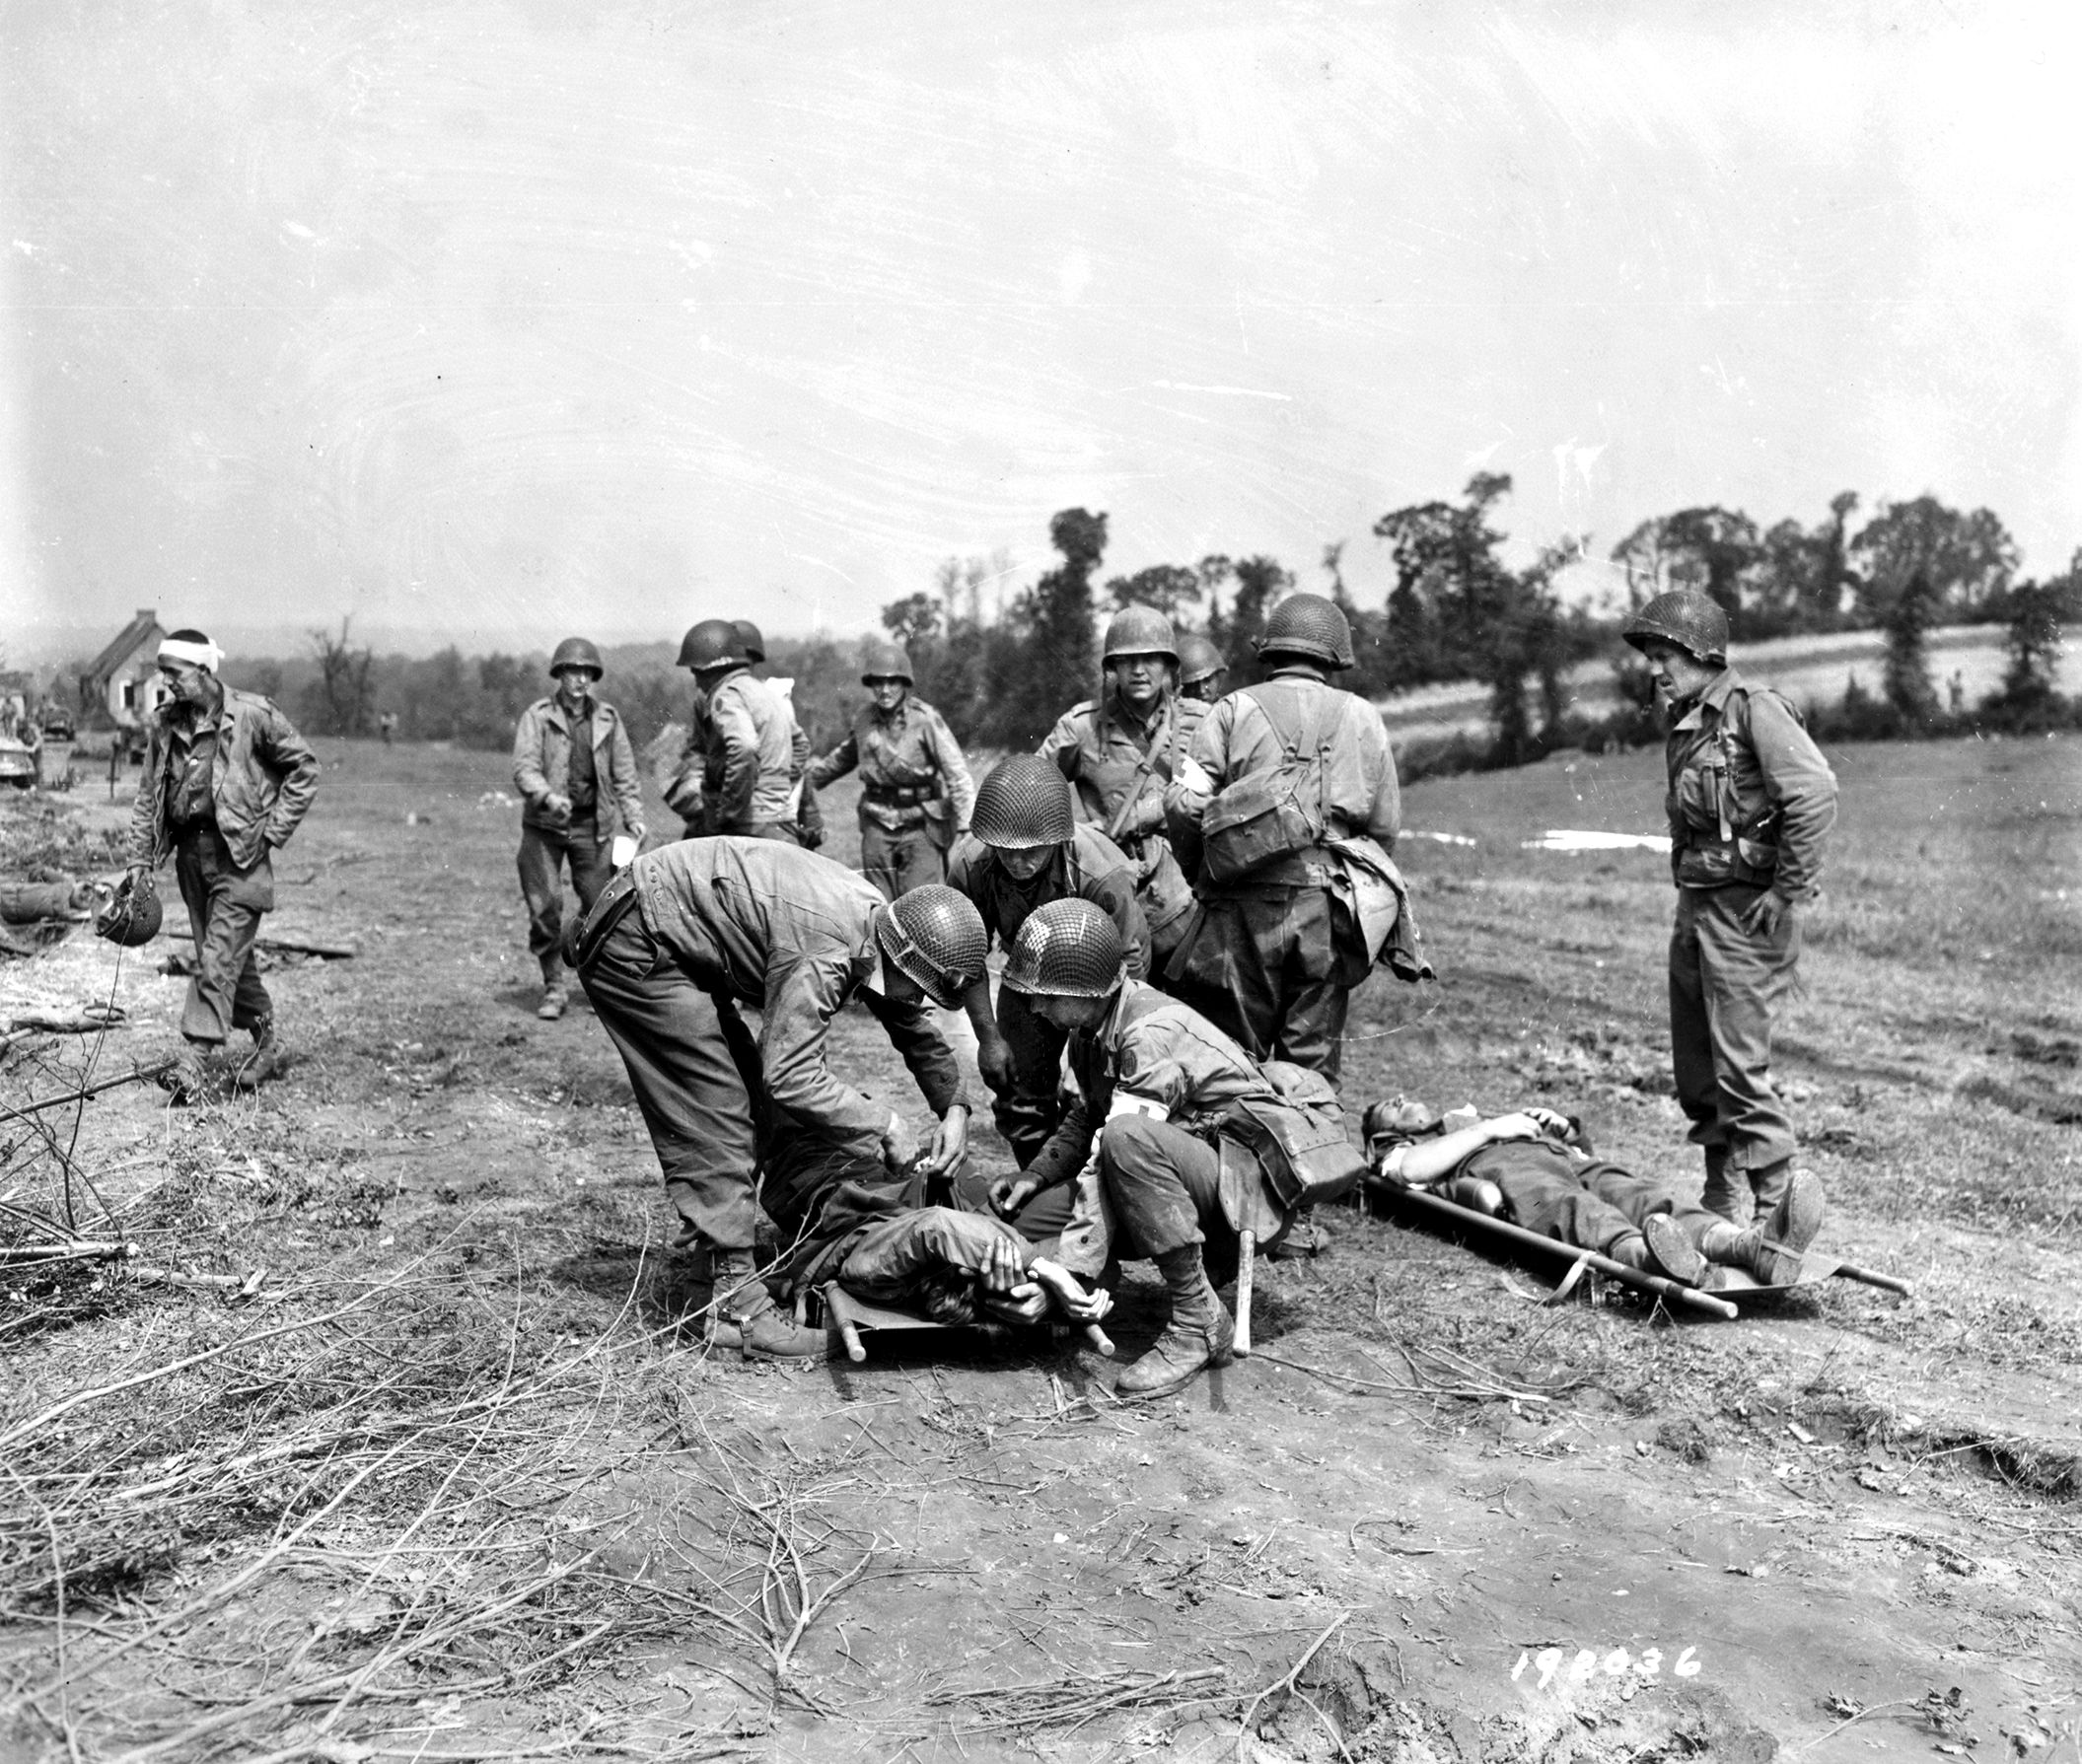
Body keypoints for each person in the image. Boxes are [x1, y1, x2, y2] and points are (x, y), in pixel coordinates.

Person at [568, 838, 988, 1359]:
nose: (917, 1001)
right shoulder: (826, 949)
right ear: (901, 961)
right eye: (918, 987)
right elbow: (788, 1075)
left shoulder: (881, 928)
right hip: (639, 944)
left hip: (669, 930)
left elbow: (907, 1019)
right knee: (718, 1117)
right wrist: (883, 1124)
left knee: (749, 1105)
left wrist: (954, 1106)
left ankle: (716, 1276)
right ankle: (734, 1314)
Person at [987, 898, 1353, 1398]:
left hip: (1241, 1196)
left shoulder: (1148, 1035)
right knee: (1030, 1223)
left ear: (1084, 989)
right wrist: (1038, 1175)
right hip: (1184, 1179)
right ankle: (1086, 1293)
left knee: (1126, 1140)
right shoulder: (1091, 1030)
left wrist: (1072, 1267)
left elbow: (1114, 1148)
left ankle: (1199, 1322)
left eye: (1045, 994)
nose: (1036, 1007)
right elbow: (1090, 1117)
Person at [1623, 589, 1837, 1225]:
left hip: (1746, 915)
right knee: (1697, 1065)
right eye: (1652, 656)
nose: (1656, 670)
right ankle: (1720, 1198)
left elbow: (1814, 794)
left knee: (1740, 1064)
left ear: (1701, 652)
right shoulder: (1689, 722)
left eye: (1666, 655)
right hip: (1697, 907)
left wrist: (1786, 890)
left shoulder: (1753, 710)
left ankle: (1776, 1209)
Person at [1163, 593, 1411, 1083]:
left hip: (1240, 912)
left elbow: (1181, 805)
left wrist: (1203, 874)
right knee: (1311, 1074)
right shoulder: (1364, 718)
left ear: (1271, 650)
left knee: (1232, 1068)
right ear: (1334, 655)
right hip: (1326, 912)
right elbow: (1384, 829)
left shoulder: (1231, 710)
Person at [124, 629, 320, 1099]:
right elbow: (149, 796)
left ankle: (193, 1060)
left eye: (175, 673)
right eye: (164, 672)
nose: (167, 682)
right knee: (230, 957)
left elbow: (305, 769)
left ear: (206, 671)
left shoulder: (253, 714)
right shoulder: (166, 724)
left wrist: (272, 833)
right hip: (192, 859)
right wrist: (139, 859)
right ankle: (268, 1040)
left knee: (215, 958)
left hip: (242, 859)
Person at [1362, 1097, 1826, 1288]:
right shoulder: (1410, 1146)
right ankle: (1648, 1257)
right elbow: (1410, 1170)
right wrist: (1490, 1129)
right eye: (1391, 1105)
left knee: (1642, 1195)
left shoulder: (1463, 1118)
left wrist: (1562, 1130)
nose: (1403, 1100)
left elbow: (1577, 1149)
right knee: (1574, 1206)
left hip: (1564, 1157)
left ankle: (1750, 1246)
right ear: (1383, 1131)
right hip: (1507, 1171)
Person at [946, 755, 1151, 1172]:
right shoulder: (971, 867)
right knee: (1017, 1092)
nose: (1018, 862)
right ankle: (1042, 1187)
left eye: (1033, 851)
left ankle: (1097, 1194)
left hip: (1103, 987)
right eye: (1006, 851)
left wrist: (1091, 1055)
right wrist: (988, 1038)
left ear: (1057, 838)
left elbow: (1130, 968)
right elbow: (967, 957)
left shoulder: (1100, 872)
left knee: (1100, 1096)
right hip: (1029, 974)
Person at [1039, 606, 1204, 973]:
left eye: (1149, 659)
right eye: (1127, 661)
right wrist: (1077, 839)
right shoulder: (1082, 727)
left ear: (1168, 666)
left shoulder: (1202, 722)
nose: (1139, 670)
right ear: (1113, 668)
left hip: (1188, 893)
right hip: (1114, 890)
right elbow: (1030, 792)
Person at [510, 637, 646, 1021]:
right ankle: (554, 986)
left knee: (603, 908)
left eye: (587, 672)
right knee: (545, 907)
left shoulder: (608, 719)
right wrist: (548, 797)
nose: (581, 679)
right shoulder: (537, 717)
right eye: (573, 671)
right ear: (560, 674)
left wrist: (633, 814)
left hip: (594, 827)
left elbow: (625, 775)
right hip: (545, 827)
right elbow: (524, 769)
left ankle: (601, 987)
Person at [809, 641, 975, 898]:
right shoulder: (864, 719)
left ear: (904, 683)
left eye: (892, 682)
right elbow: (844, 756)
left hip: (921, 822)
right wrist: (807, 780)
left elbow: (956, 772)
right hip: (877, 819)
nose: (885, 690)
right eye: (878, 683)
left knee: (921, 901)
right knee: (877, 901)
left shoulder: (925, 719)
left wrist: (967, 825)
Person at [668, 619, 800, 842]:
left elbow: (744, 747)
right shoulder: (764, 693)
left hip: (749, 825)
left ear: (709, 669)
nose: (697, 683)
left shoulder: (726, 695)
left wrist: (730, 811)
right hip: (779, 819)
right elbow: (801, 746)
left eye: (696, 672)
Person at [733, 618, 824, 850]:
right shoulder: (740, 697)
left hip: (769, 804)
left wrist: (781, 776)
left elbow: (800, 746)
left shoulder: (769, 698)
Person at [1177, 631, 1229, 705]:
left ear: (1218, 679)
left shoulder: (1229, 711)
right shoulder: (1172, 713)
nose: (1201, 691)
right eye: (1193, 685)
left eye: (1207, 680)